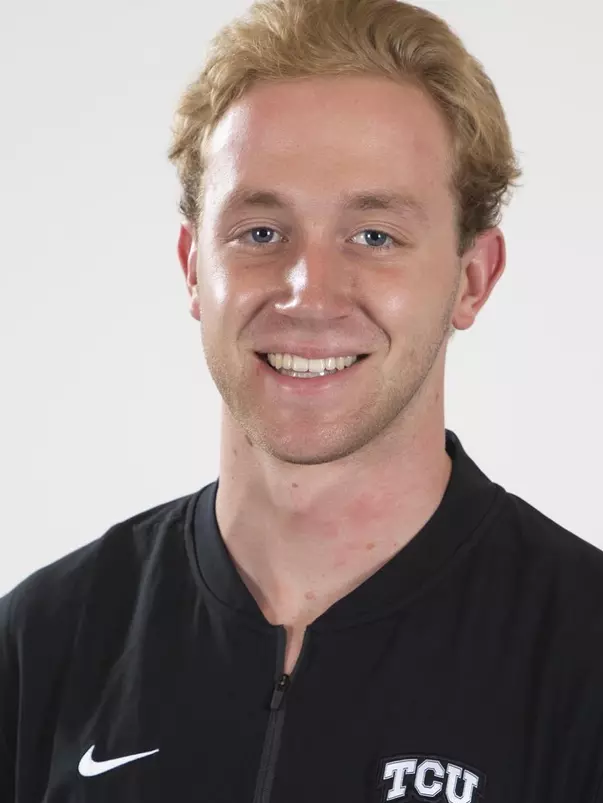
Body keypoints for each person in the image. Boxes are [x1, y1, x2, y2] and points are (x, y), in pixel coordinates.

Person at [1, 0, 602, 800]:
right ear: (191, 266)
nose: (308, 292)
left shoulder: (581, 658)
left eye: (374, 235)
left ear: (471, 278)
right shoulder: (42, 644)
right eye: (259, 232)